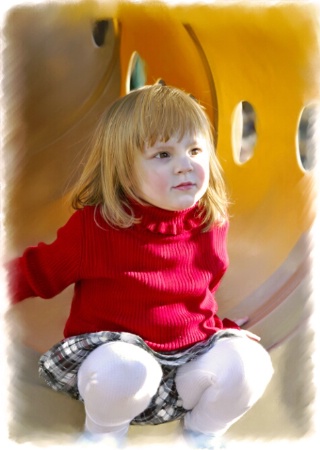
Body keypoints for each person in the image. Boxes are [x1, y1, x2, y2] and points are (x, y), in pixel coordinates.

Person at [6, 83, 273, 449]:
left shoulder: (210, 222)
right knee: (128, 368)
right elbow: (36, 273)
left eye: (194, 150)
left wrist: (223, 334)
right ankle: (103, 436)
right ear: (125, 173)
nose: (185, 165)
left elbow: (195, 296)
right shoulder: (96, 228)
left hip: (185, 363)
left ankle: (200, 436)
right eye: (163, 155)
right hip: (115, 363)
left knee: (250, 363)